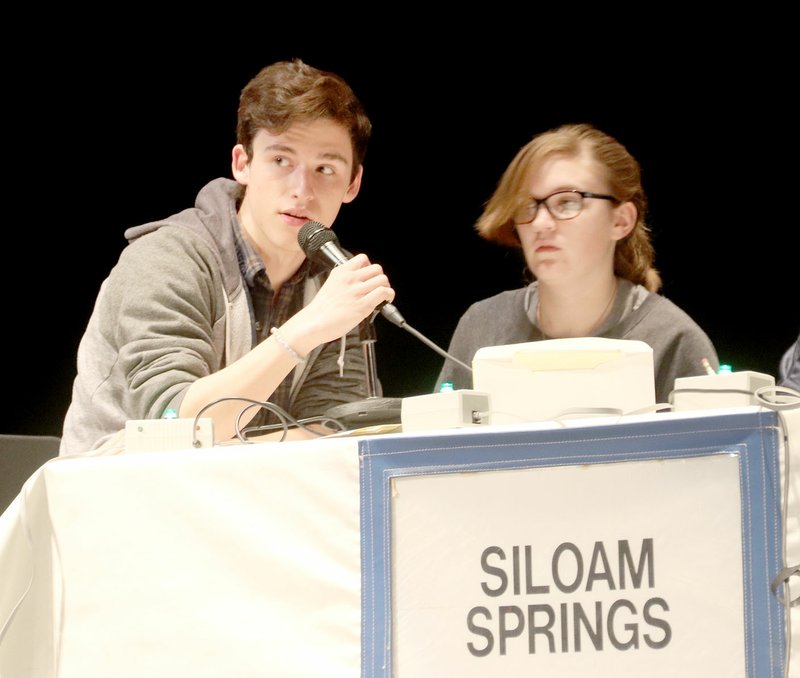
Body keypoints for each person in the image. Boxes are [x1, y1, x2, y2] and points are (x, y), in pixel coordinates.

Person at [60, 59, 395, 456]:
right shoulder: (166, 258)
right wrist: (307, 328)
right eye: (281, 161)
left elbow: (335, 434)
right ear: (243, 164)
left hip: (249, 502)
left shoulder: (335, 283)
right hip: (112, 500)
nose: (302, 190)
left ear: (352, 184)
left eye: (325, 168)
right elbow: (171, 427)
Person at [435, 123, 718, 406]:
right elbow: (439, 448)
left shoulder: (672, 340)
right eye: (526, 206)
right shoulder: (483, 328)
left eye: (567, 203)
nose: (541, 223)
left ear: (620, 221)